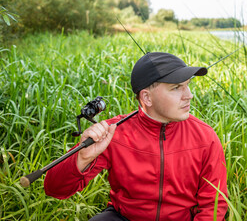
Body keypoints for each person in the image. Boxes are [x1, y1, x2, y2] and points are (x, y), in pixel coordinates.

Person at [44, 52, 228, 220]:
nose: (189, 96)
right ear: (147, 98)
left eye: (188, 86)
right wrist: (82, 157)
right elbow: (54, 189)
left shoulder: (205, 137)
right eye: (177, 88)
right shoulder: (112, 132)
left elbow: (213, 204)